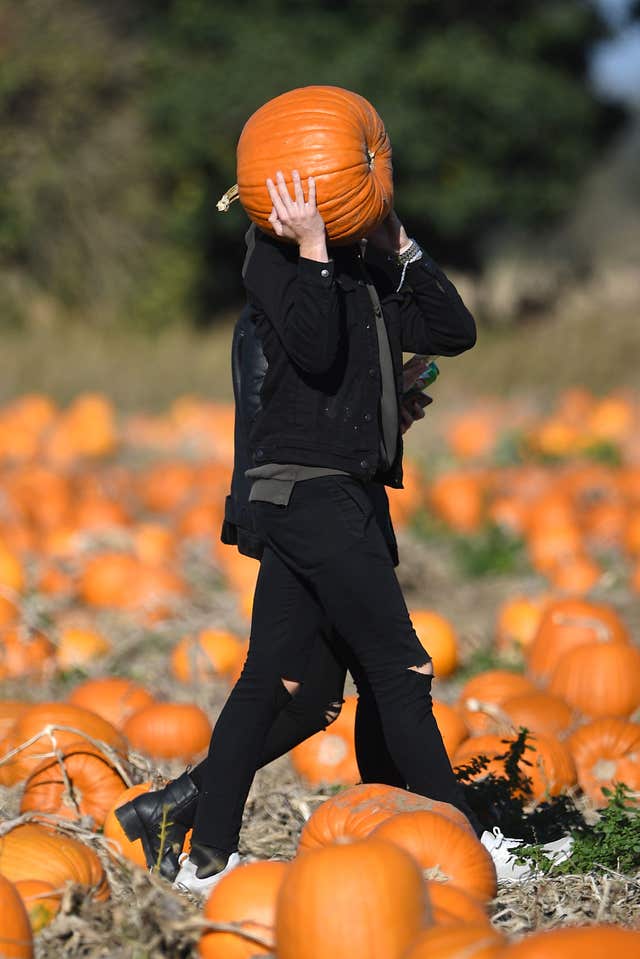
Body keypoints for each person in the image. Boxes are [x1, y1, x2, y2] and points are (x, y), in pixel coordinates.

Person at [167, 169, 489, 894]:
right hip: (311, 497)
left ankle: (203, 857)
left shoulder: (360, 271)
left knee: (275, 682)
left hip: (330, 493)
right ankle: (467, 843)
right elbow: (310, 351)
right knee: (400, 672)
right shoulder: (274, 262)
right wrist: (310, 244)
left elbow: (453, 331)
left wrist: (398, 241)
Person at [115, 295, 432, 881]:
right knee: (364, 676)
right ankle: (420, 831)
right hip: (312, 509)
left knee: (314, 696)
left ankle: (176, 808)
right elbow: (285, 422)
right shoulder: (283, 313)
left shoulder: (334, 299)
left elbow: (331, 407)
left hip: (335, 505)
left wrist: (387, 409)